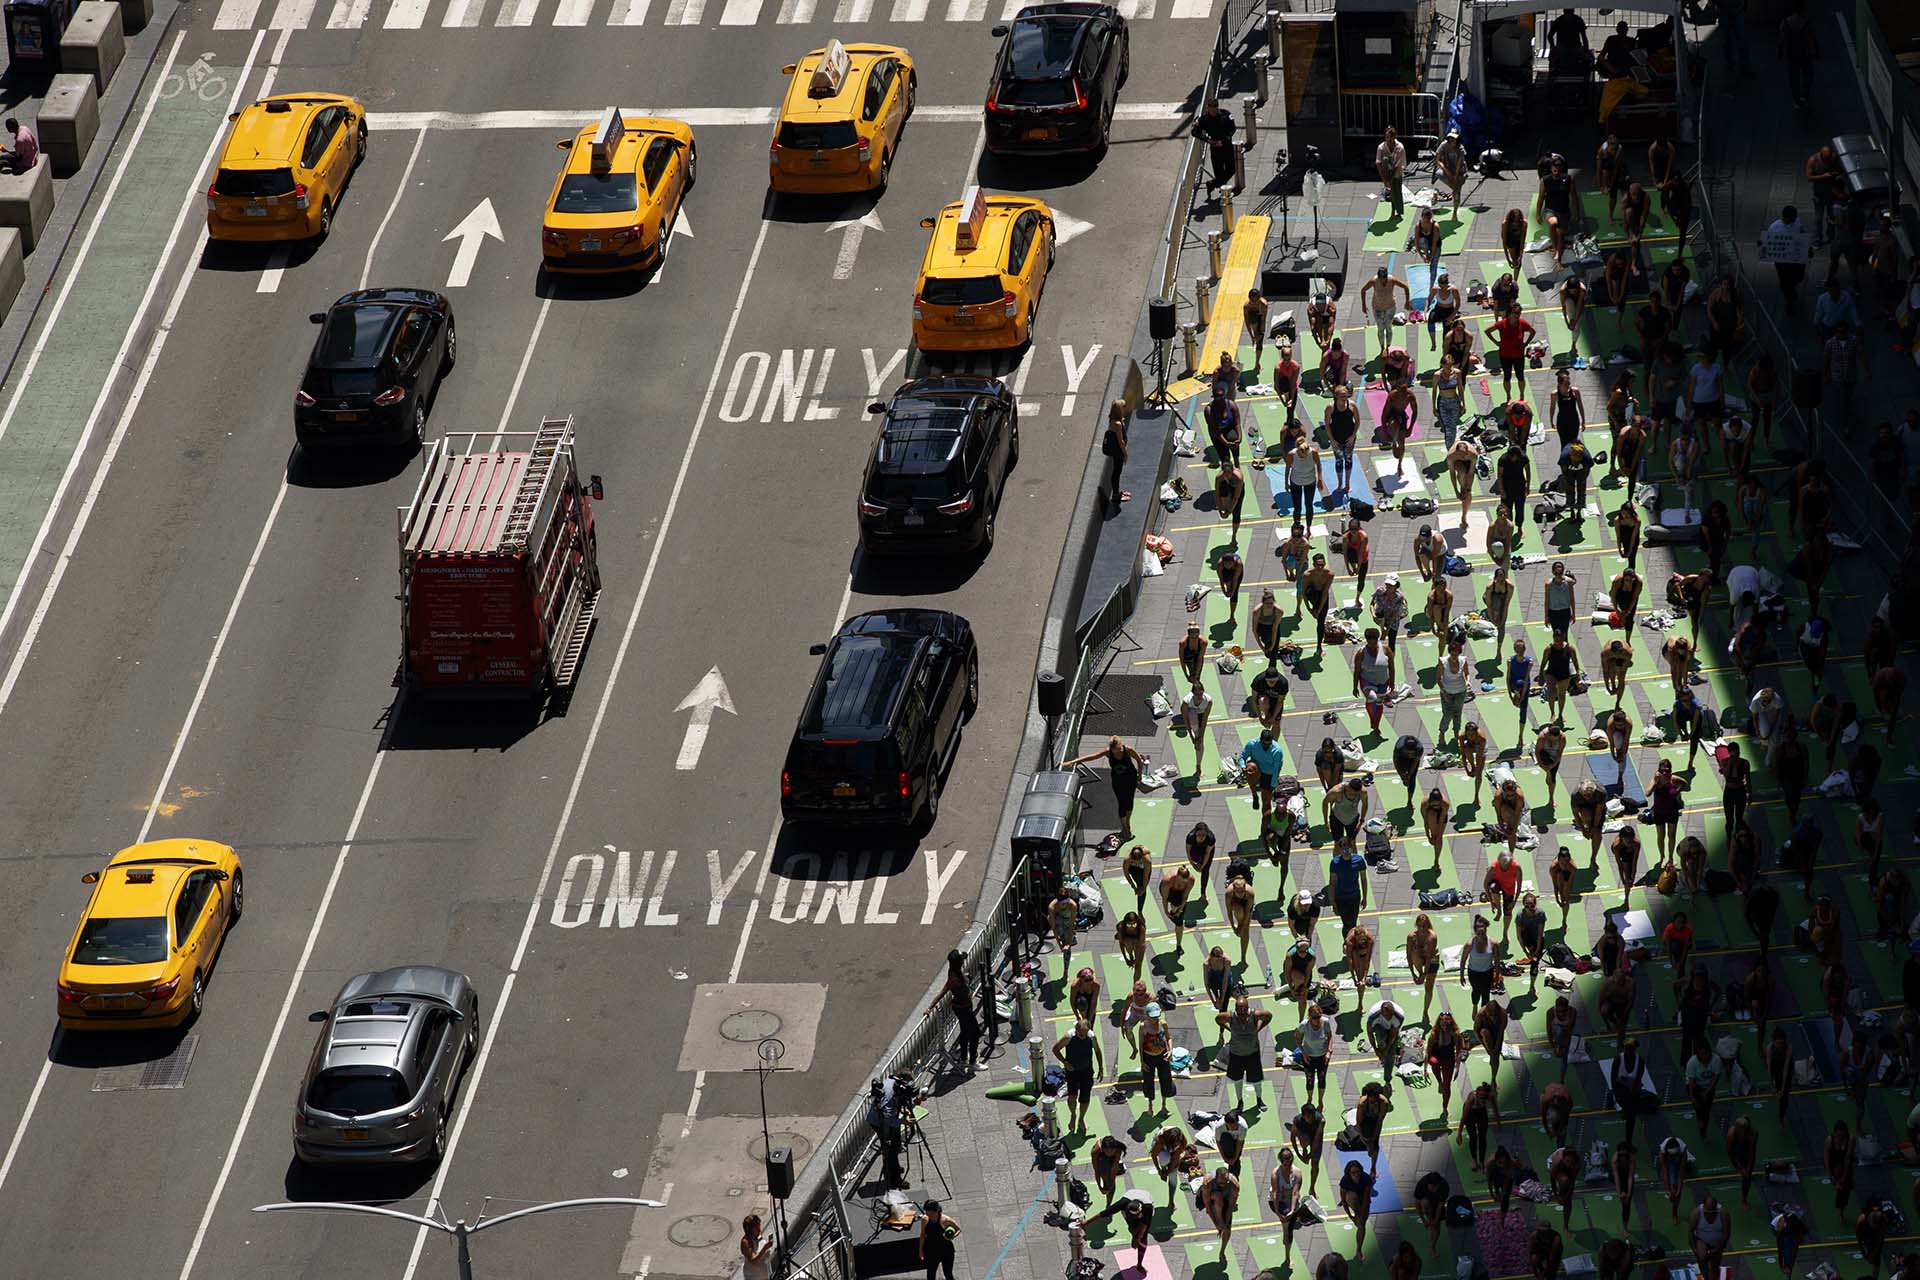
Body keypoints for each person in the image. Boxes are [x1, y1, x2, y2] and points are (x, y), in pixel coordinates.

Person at [1065, 736, 1144, 840]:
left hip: (1130, 779)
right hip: (1118, 780)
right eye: (1114, 752)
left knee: (1129, 802)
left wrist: (1140, 775)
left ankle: (1128, 822)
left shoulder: (1128, 750)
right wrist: (1075, 761)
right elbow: (1093, 756)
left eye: (1118, 751)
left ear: (1121, 746)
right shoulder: (1108, 752)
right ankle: (1124, 827)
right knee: (1121, 802)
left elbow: (1139, 760)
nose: (1116, 753)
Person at [928, 950, 980, 1075]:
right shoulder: (954, 979)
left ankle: (963, 1058)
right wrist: (930, 1007)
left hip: (962, 1007)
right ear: (959, 962)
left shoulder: (955, 971)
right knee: (975, 1033)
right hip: (963, 1009)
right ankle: (972, 1062)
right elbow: (943, 992)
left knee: (964, 1032)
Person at [1216, 995, 1270, 1111]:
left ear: (1248, 1008)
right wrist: (1229, 1029)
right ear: (1235, 1009)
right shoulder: (1231, 1017)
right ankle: (1240, 1101)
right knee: (1237, 1080)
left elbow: (1269, 1016)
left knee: (1257, 1080)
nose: (1242, 1013)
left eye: (1244, 1010)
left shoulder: (1255, 1015)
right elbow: (1218, 1019)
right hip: (1236, 1054)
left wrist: (1259, 1028)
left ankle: (1259, 1099)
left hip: (1252, 1053)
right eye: (1239, 1010)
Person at [1052, 1019, 1104, 1132]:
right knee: (1072, 1097)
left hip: (1087, 1072)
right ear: (1076, 1030)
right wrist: (1065, 1063)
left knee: (1085, 1099)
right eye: (1080, 1033)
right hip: (1072, 1072)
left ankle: (1081, 1119)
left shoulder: (1091, 1037)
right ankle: (1073, 1115)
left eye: (1085, 1033)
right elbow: (1055, 1049)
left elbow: (1098, 1051)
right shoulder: (1069, 1036)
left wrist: (1101, 1068)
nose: (1083, 1036)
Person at [1762, 204, 1812, 311]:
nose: (1795, 219)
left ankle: (1791, 287)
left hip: (1797, 258)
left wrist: (1808, 248)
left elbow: (1803, 234)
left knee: (1799, 277)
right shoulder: (1774, 227)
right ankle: (1788, 300)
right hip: (1782, 261)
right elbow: (1768, 243)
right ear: (1786, 217)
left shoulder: (1797, 222)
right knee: (1784, 281)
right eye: (1793, 217)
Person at [1535, 155, 1580, 270]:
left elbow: (1574, 197)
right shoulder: (1545, 180)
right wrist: (1538, 213)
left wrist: (1576, 212)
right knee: (1553, 223)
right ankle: (1555, 249)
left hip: (1564, 211)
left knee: (1561, 235)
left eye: (1559, 167)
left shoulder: (1568, 179)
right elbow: (1540, 198)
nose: (1557, 169)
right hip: (1551, 209)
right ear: (1551, 168)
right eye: (1554, 166)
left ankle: (1558, 258)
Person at [1360, 267, 1409, 366]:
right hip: (1377, 308)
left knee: (1389, 328)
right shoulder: (1374, 281)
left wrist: (1407, 301)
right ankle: (1382, 347)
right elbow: (1363, 290)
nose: (1383, 280)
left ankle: (1389, 347)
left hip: (1390, 307)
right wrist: (1363, 305)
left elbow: (1405, 287)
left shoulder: (1392, 280)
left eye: (1384, 278)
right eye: (1381, 278)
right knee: (1380, 329)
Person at [1487, 306, 1536, 402]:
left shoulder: (1522, 323)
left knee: (1520, 376)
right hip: (1505, 355)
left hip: (1519, 355)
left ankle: (1522, 396)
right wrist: (1496, 342)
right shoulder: (1502, 324)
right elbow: (1487, 331)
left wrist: (1526, 343)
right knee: (1507, 377)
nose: (1517, 315)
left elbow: (1532, 332)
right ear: (1510, 313)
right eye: (1515, 313)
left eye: (1519, 313)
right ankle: (1508, 397)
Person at [1196, 99, 1237, 189]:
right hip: (1215, 149)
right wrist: (1207, 140)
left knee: (1231, 169)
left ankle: (1212, 184)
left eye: (1215, 110)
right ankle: (1222, 192)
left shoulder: (1226, 115)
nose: (1213, 112)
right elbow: (1195, 132)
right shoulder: (1204, 119)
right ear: (1208, 108)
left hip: (1226, 146)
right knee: (1219, 173)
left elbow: (1232, 129)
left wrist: (1223, 141)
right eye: (1211, 110)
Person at [1459, 914, 1499, 1007]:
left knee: (1486, 994)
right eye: (1478, 933)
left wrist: (1497, 974)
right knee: (1476, 991)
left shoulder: (1493, 943)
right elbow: (1463, 960)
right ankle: (1475, 1006)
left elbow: (1497, 959)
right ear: (1475, 931)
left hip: (1487, 972)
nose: (1480, 935)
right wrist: (1461, 975)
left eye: (1483, 932)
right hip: (1474, 972)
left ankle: (1483, 1013)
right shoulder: (1469, 944)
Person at [1338, 1159, 1374, 1258]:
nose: (1356, 1174)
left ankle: (1359, 1249)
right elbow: (1344, 1202)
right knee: (1352, 1197)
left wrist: (1361, 1215)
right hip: (1351, 1197)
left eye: (1358, 1172)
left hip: (1363, 1198)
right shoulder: (1345, 1181)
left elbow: (1366, 1198)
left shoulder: (1366, 1179)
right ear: (1349, 1173)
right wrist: (1351, 1216)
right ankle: (1359, 1250)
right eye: (1353, 1173)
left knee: (1362, 1225)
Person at [1200, 1162, 1238, 1257]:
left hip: (1225, 1200)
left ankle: (1222, 1251)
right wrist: (1217, 1224)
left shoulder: (1234, 1185)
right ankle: (1220, 1219)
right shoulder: (1207, 1183)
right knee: (1217, 1196)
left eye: (1226, 1182)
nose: (1223, 1184)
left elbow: (1230, 1206)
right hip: (1212, 1198)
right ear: (1216, 1178)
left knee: (1227, 1230)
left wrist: (1225, 1223)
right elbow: (1208, 1206)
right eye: (1221, 1183)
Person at [1691, 1194, 1730, 1279]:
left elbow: (1726, 1233)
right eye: (1707, 1212)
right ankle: (1705, 1276)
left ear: (1716, 1208)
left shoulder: (1723, 1213)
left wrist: (1719, 1248)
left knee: (1715, 1265)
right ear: (1703, 1207)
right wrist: (1694, 1249)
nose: (1710, 1214)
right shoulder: (1696, 1213)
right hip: (1701, 1239)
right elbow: (1690, 1232)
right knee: (1702, 1258)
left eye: (1712, 1212)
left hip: (1717, 1240)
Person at [919, 1200, 959, 1280]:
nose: (929, 1216)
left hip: (946, 1250)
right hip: (931, 1250)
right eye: (927, 1213)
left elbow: (958, 1229)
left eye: (931, 1214)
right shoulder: (924, 1219)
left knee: (948, 1273)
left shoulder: (945, 1220)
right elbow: (923, 1235)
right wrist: (920, 1250)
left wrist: (951, 1237)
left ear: (937, 1211)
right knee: (930, 1274)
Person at [1376, 125, 1407, 216]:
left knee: (1397, 192)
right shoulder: (1381, 147)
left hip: (1397, 172)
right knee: (1391, 192)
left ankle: (1399, 211)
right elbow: (1378, 163)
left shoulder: (1400, 147)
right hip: (1386, 171)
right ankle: (1393, 211)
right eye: (1386, 137)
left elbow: (1398, 165)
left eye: (1389, 137)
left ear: (1394, 137)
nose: (1387, 139)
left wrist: (1391, 179)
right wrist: (1385, 180)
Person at [1429, 270, 1461, 356]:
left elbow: (1458, 305)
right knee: (1430, 321)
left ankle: (1445, 353)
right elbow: (1428, 300)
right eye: (1441, 287)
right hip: (1438, 309)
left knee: (1446, 334)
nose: (1443, 289)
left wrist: (1451, 317)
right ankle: (1433, 343)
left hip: (1449, 311)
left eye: (1445, 287)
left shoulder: (1453, 290)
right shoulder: (1435, 289)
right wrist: (1425, 311)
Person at [1435, 129, 1467, 212]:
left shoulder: (1460, 148)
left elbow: (1460, 164)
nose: (1452, 140)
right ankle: (1455, 189)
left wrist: (1455, 176)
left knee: (1457, 188)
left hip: (1459, 171)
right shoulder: (1444, 145)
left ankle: (1455, 211)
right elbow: (1437, 160)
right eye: (1450, 138)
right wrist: (1446, 171)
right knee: (1439, 173)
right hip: (1448, 169)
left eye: (1454, 138)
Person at [741, 1214, 775, 1280]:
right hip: (754, 1276)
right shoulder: (746, 1242)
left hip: (764, 1273)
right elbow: (753, 1261)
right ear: (751, 1229)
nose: (759, 1227)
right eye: (757, 1226)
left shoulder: (757, 1234)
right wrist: (765, 1248)